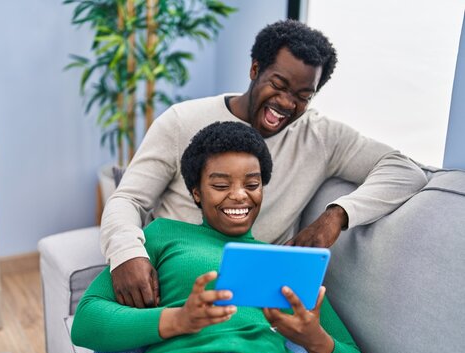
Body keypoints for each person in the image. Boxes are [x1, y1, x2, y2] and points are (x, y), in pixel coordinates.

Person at [101, 19, 428, 308]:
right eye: (279, 84)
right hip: (175, 278)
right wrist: (127, 252)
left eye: (303, 95)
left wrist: (336, 216)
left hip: (256, 293)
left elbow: (405, 171)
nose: (287, 103)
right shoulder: (181, 122)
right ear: (255, 70)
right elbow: (129, 199)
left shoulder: (320, 136)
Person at [72, 122, 364, 353]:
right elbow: (87, 319)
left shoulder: (283, 260)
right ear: (196, 192)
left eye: (252, 184)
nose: (239, 195)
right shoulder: (164, 234)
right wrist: (178, 320)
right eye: (221, 185)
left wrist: (317, 342)